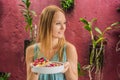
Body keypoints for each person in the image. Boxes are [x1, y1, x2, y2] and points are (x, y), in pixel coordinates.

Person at [26, 5, 78, 80]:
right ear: (46, 25)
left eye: (64, 23)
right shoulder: (31, 50)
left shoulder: (69, 49)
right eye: (58, 23)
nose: (63, 27)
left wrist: (67, 69)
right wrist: (35, 71)